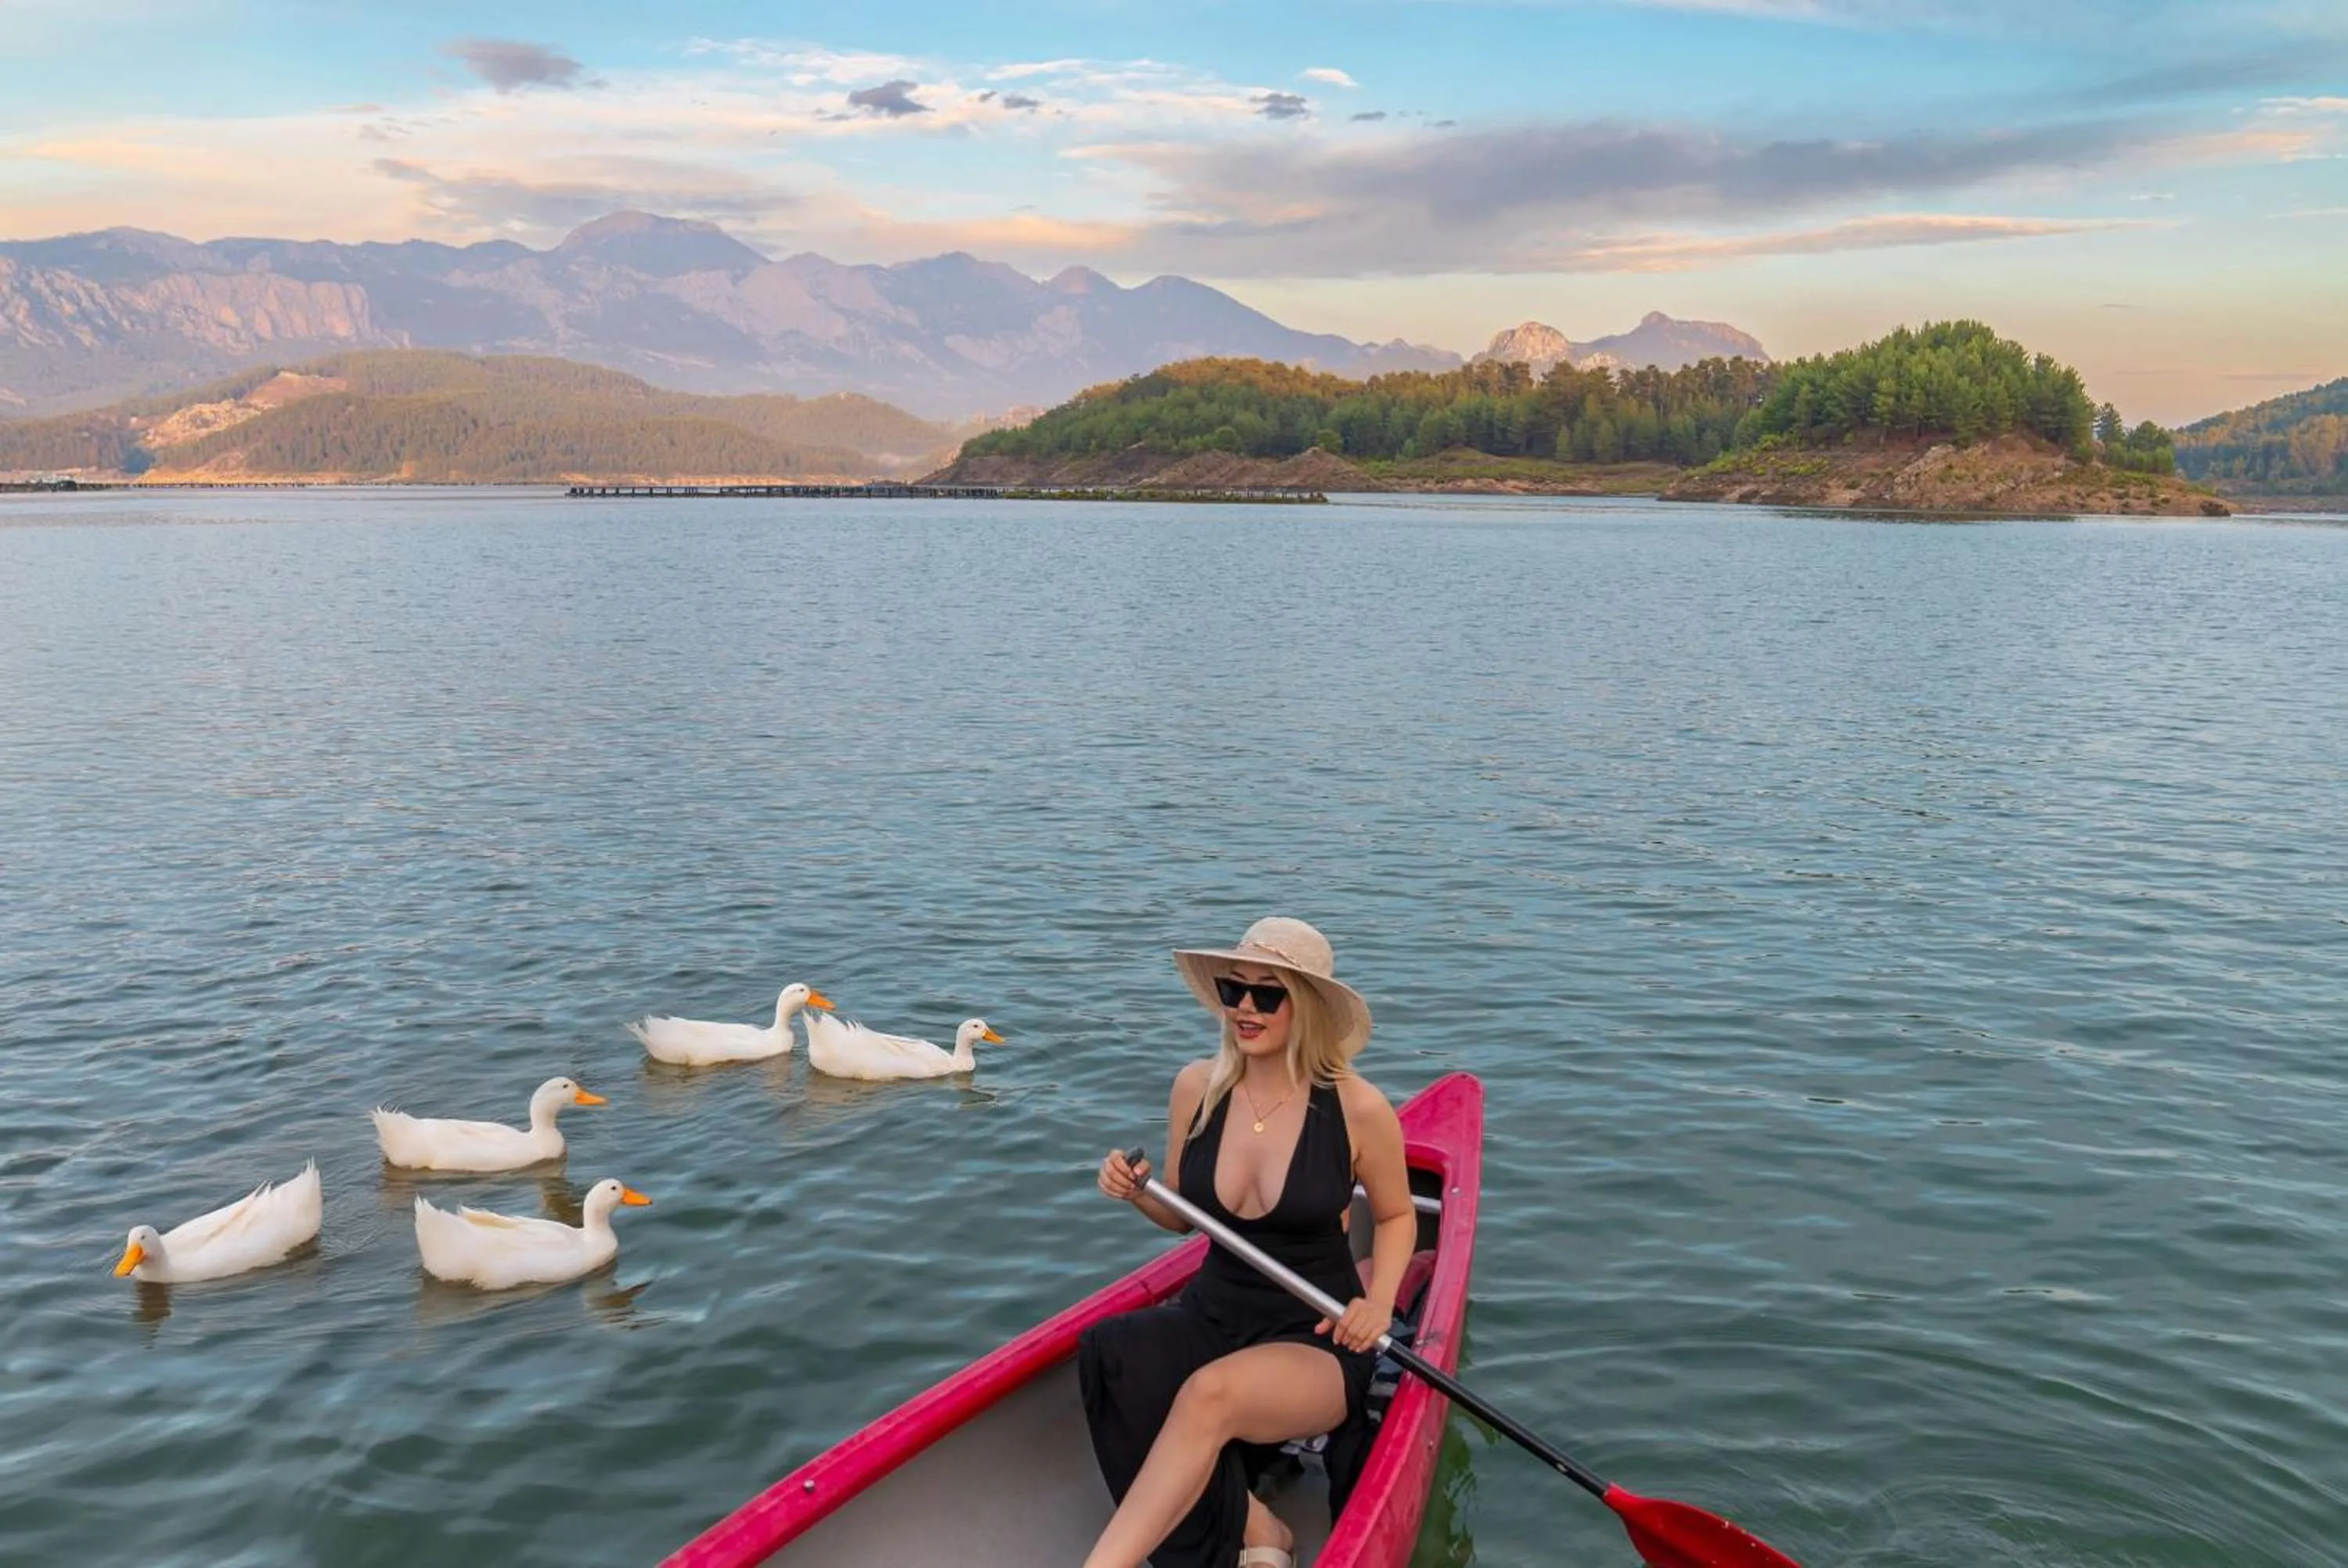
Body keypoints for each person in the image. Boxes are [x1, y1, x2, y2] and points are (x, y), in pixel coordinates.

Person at [1082, 917, 1416, 1568]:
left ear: (1308, 1006)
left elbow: (1399, 1217)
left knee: (1210, 1394)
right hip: (1213, 1313)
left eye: (1268, 994)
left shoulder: (1358, 1107)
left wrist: (1378, 1303)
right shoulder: (1196, 1088)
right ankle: (1261, 1529)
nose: (1244, 1007)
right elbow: (1184, 1216)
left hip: (1314, 1332)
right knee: (1110, 1351)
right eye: (1235, 989)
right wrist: (1136, 1191)